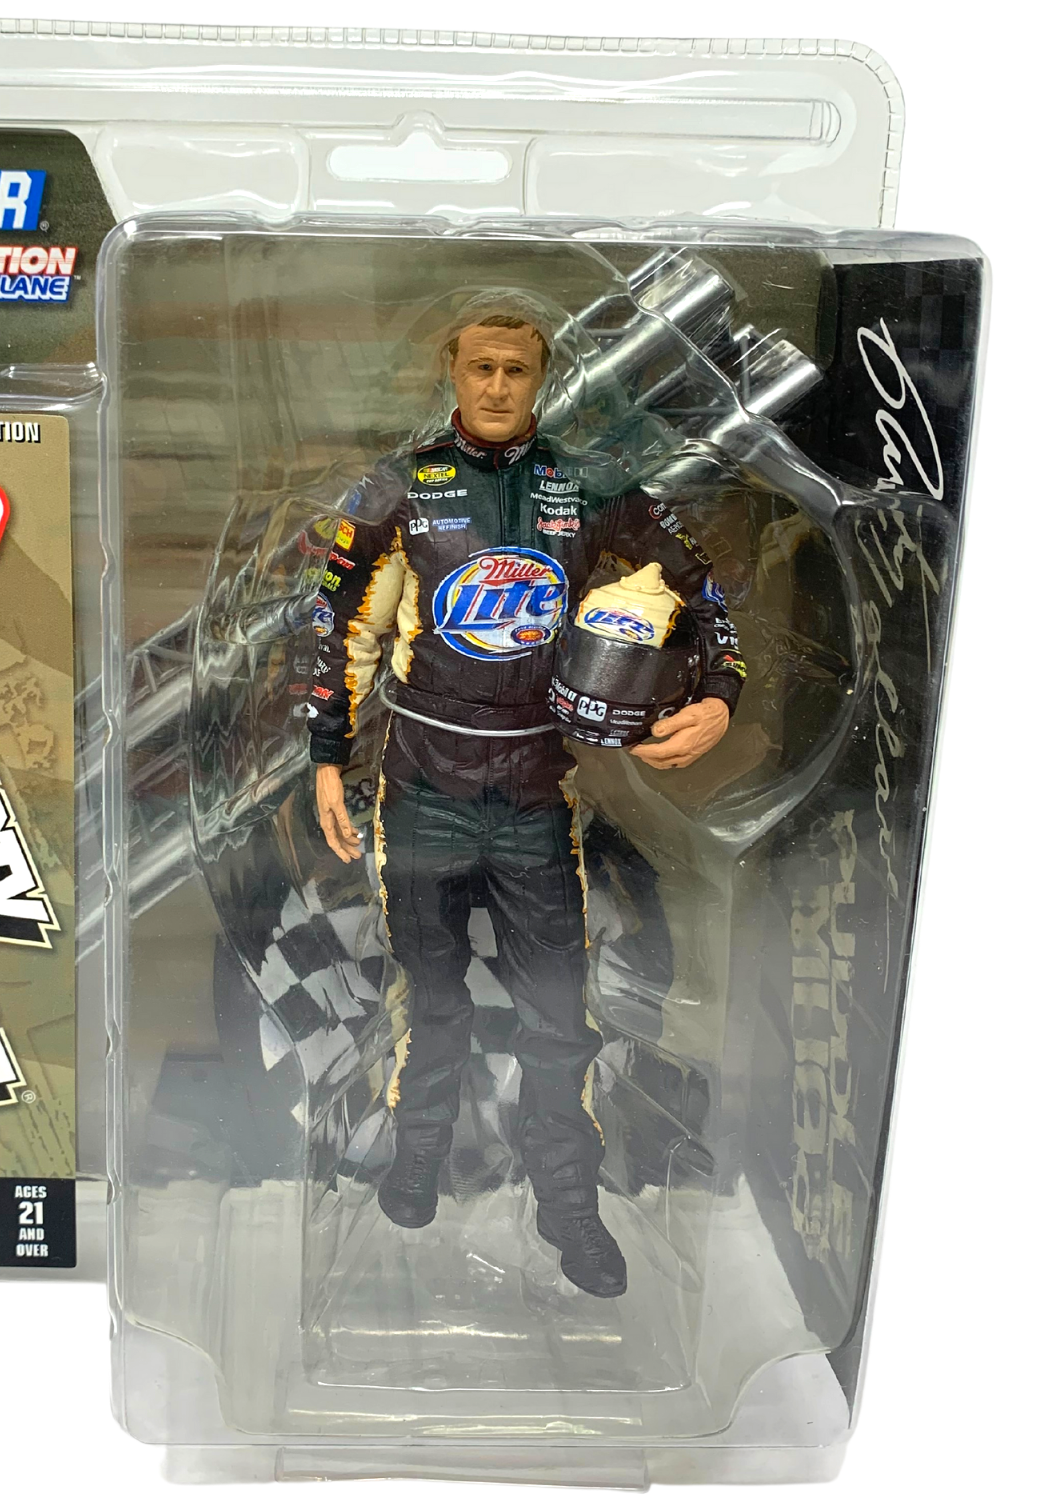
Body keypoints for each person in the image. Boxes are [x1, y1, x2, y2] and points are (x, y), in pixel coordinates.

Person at [306, 294, 744, 1297]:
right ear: (451, 369)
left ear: (543, 375)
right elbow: (336, 627)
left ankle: (568, 1203)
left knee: (558, 1018)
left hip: (539, 797)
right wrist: (327, 756)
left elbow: (705, 587)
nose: (498, 386)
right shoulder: (400, 487)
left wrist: (719, 696)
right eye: (481, 367)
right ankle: (416, 1156)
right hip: (422, 791)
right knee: (430, 1000)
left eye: (516, 369)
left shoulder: (592, 485)